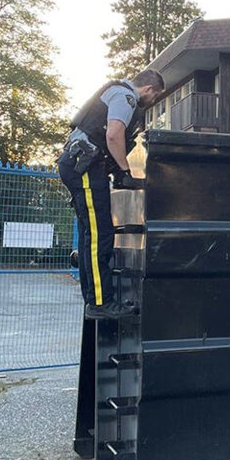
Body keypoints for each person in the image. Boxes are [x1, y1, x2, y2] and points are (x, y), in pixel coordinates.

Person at [58, 69, 164, 319]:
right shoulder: (125, 97)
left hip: (80, 164)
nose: (153, 101)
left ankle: (93, 298)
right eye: (156, 96)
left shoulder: (114, 92)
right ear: (149, 89)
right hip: (84, 166)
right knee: (100, 234)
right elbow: (113, 134)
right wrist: (126, 170)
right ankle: (99, 303)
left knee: (90, 235)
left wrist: (116, 171)